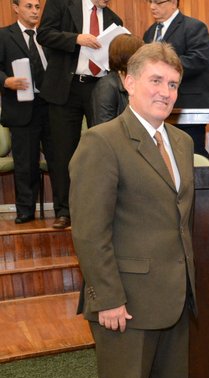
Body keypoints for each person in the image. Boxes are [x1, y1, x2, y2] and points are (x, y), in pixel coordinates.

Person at [69, 42, 208, 378]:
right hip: (123, 298)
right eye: (156, 81)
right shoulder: (102, 141)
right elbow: (90, 230)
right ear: (128, 82)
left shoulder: (182, 142)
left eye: (173, 84)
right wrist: (107, 296)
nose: (166, 91)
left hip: (174, 291)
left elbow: (178, 220)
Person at [37, 0, 123, 229]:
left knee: (103, 150)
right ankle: (64, 211)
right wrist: (76, 39)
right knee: (63, 151)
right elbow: (43, 34)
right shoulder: (61, 4)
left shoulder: (114, 20)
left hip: (101, 89)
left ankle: (100, 210)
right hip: (66, 88)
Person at [0, 0, 53, 224]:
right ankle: (25, 210)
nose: (34, 11)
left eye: (37, 7)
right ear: (16, 8)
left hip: (50, 107)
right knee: (25, 164)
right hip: (21, 108)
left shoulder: (48, 36)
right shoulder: (4, 35)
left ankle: (64, 208)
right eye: (29, 6)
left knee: (58, 160)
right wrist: (6, 81)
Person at [144, 0, 209, 159]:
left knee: (191, 158)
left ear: (173, 2)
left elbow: (199, 60)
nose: (152, 7)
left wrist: (163, 66)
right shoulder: (150, 33)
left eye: (158, 2)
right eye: (150, 2)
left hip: (188, 108)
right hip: (157, 108)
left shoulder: (194, 27)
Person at [89, 33, 144, 127]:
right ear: (128, 56)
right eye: (140, 54)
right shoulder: (106, 86)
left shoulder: (136, 80)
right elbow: (104, 127)